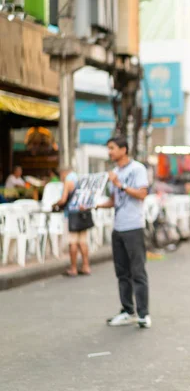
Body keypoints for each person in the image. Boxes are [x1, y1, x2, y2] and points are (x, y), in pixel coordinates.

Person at [96, 136, 151, 329]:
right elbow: (115, 200)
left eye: (112, 148)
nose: (109, 152)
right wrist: (97, 205)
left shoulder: (137, 169)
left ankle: (144, 314)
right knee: (122, 273)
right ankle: (128, 311)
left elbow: (142, 194)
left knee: (138, 271)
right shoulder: (115, 173)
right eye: (108, 148)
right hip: (118, 228)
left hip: (133, 227)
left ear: (124, 149)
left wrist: (120, 184)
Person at [53, 167, 91, 277]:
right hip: (83, 213)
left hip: (73, 214)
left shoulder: (68, 181)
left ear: (63, 173)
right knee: (83, 241)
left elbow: (64, 199)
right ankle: (86, 266)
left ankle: (73, 268)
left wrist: (56, 204)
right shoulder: (79, 179)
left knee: (73, 242)